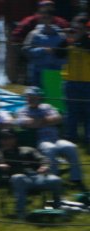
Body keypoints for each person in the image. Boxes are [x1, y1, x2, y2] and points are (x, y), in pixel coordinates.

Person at [15, 86, 85, 188]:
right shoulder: (23, 111)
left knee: (71, 147)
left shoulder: (47, 107)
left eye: (33, 96)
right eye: (28, 96)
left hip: (56, 139)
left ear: (39, 97)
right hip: (41, 141)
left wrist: (39, 121)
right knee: (51, 149)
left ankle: (76, 178)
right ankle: (53, 180)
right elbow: (27, 123)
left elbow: (59, 119)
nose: (30, 99)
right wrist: (47, 120)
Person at [0, 127, 62, 218]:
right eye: (4, 139)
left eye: (9, 138)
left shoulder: (28, 150)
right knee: (18, 177)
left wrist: (44, 166)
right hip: (13, 182)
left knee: (55, 180)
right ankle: (21, 213)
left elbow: (43, 159)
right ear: (0, 141)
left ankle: (51, 209)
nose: (7, 141)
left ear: (15, 139)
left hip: (35, 177)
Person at [62, 17, 90, 146]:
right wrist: (66, 39)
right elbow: (58, 53)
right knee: (71, 112)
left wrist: (75, 38)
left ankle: (88, 138)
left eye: (79, 28)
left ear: (85, 29)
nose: (75, 31)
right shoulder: (69, 41)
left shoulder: (87, 40)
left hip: (87, 82)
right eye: (74, 28)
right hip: (71, 81)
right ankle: (71, 137)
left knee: (88, 112)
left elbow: (85, 45)